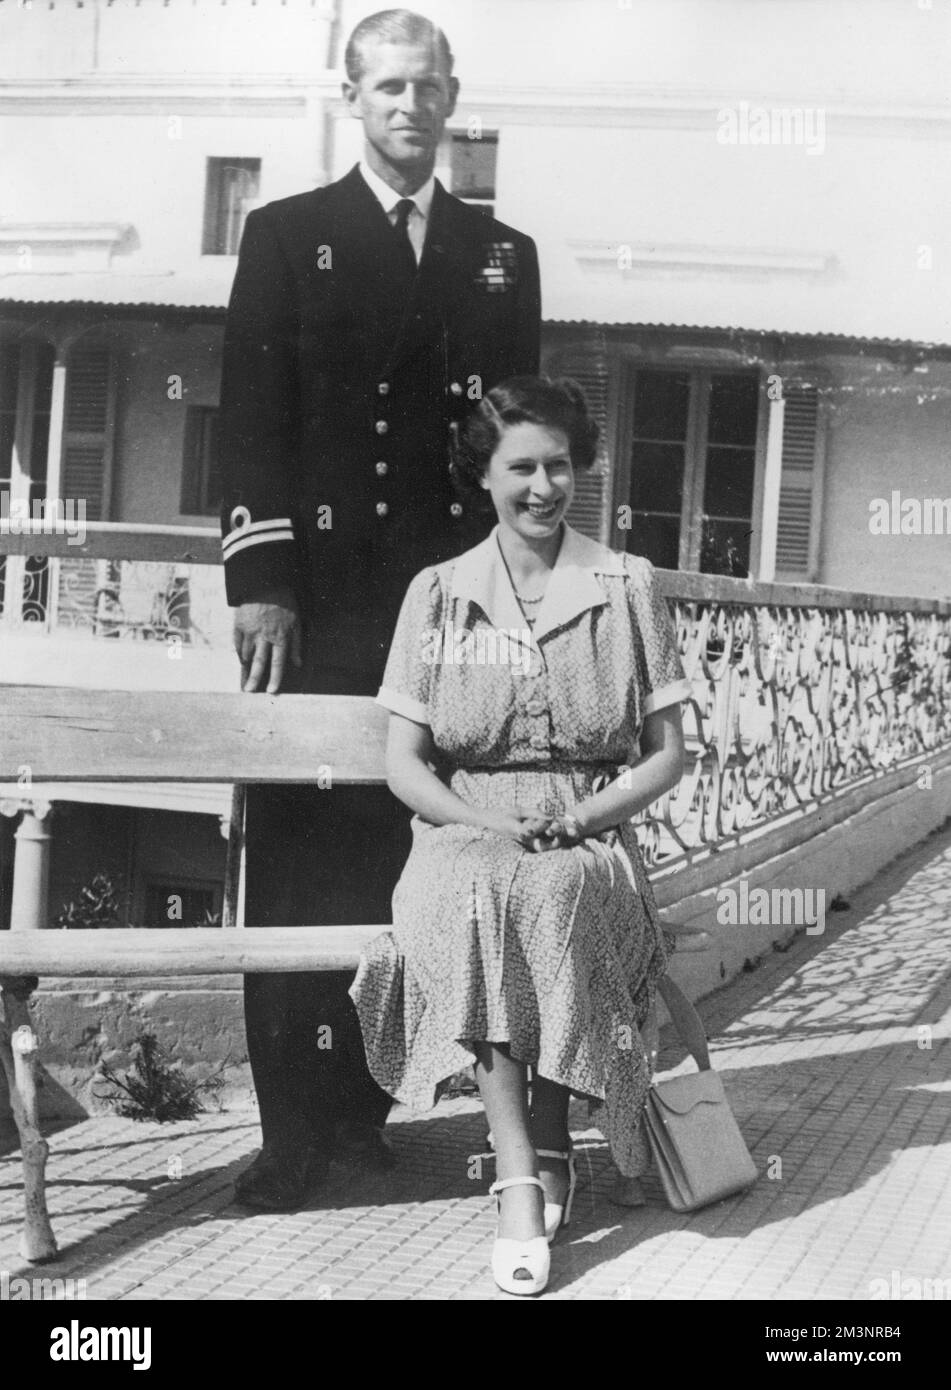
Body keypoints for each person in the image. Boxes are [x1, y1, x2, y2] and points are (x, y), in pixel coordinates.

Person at [218, 9, 541, 1211]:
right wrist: (261, 584)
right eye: (386, 86)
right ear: (351, 97)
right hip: (319, 607)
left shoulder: (501, 253)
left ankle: (364, 1119)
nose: (409, 105)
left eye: (427, 85)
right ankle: (292, 1136)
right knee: (301, 861)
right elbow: (251, 417)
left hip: (444, 615)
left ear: (454, 96)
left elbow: (518, 443)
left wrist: (518, 596)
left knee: (409, 869)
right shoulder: (287, 235)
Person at [350, 377, 690, 1295]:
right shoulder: (437, 594)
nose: (543, 487)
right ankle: (518, 1177)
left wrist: (586, 816)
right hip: (465, 829)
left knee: (548, 893)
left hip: (587, 826)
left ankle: (547, 1143)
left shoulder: (626, 585)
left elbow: (668, 754)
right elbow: (407, 765)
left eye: (559, 467)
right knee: (477, 894)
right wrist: (486, 818)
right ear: (483, 477)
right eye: (521, 468)